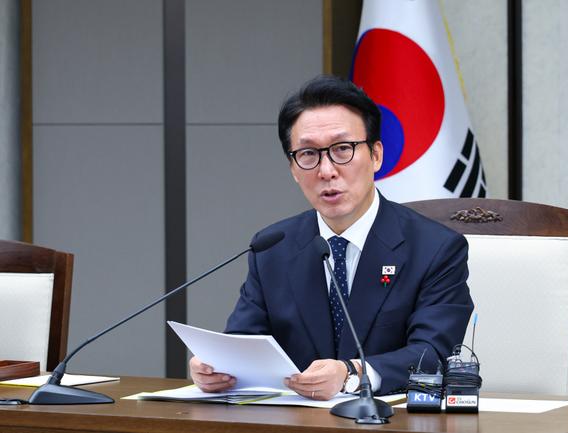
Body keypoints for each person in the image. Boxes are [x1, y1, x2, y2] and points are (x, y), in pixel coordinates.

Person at [189, 75, 473, 400]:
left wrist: (351, 373)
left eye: (342, 149)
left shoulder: (435, 248)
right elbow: (244, 342)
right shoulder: (273, 248)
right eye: (308, 154)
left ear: (376, 155)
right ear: (293, 169)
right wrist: (217, 368)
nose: (326, 171)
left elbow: (433, 353)